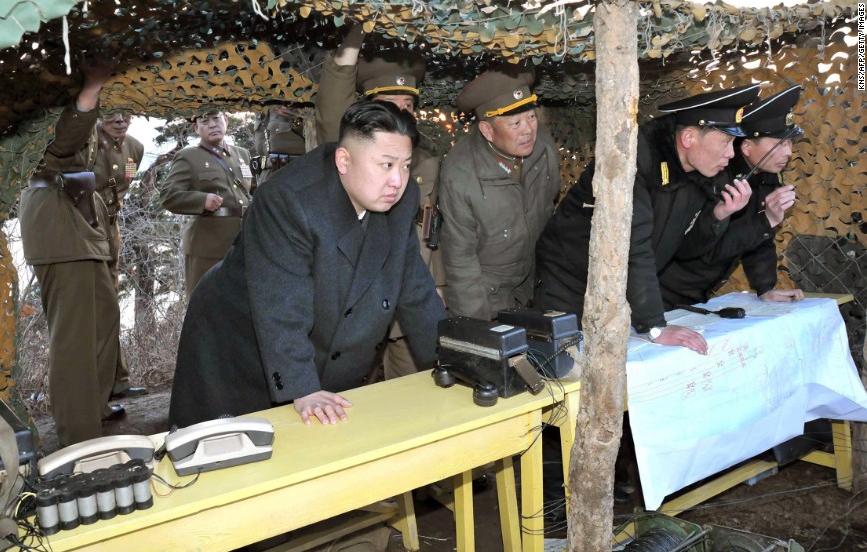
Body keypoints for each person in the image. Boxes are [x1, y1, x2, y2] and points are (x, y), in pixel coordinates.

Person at [167, 101, 446, 429]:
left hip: (305, 334)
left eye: (405, 165)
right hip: (238, 333)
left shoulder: (399, 198)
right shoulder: (289, 200)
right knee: (236, 451)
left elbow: (414, 288)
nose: (397, 181)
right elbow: (280, 305)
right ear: (344, 160)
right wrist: (302, 387)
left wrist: (451, 359)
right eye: (386, 165)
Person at [534, 85, 762, 354]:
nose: (732, 154)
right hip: (570, 284)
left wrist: (719, 215)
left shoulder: (700, 171)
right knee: (571, 370)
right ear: (689, 137)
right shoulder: (631, 157)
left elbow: (685, 250)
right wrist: (654, 325)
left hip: (621, 291)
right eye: (725, 142)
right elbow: (631, 245)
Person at [314, 23, 446, 379]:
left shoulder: (425, 158)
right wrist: (353, 38)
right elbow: (331, 110)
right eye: (392, 105)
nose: (404, 113)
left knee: (414, 399)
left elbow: (431, 229)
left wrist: (436, 287)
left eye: (408, 105)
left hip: (408, 302)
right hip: (359, 301)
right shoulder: (349, 152)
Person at [18, 60, 125, 446]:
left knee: (105, 320)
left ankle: (92, 408)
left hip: (81, 222)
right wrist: (90, 90)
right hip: (59, 225)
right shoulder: (42, 108)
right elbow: (62, 142)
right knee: (75, 337)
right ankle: (79, 434)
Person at [659, 85, 805, 308]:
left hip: (698, 293)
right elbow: (707, 250)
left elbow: (758, 237)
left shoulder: (765, 175)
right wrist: (767, 220)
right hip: (663, 291)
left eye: (789, 143)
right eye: (778, 144)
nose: (788, 152)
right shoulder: (713, 174)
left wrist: (765, 287)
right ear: (746, 146)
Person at [438, 67, 561, 321]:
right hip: (489, 299)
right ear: (487, 130)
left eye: (531, 117)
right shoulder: (461, 174)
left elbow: (551, 208)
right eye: (515, 123)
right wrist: (476, 330)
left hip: (537, 286)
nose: (528, 130)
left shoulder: (544, 148)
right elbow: (461, 264)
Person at [160, 109, 254, 297]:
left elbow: (251, 191)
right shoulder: (188, 157)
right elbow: (168, 195)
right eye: (205, 121)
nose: (212, 125)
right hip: (207, 247)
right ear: (196, 128)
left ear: (226, 121)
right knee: (204, 307)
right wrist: (202, 200)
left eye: (216, 119)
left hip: (242, 244)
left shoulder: (242, 154)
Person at [92, 110, 148, 399]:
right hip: (87, 226)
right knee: (95, 305)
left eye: (125, 115)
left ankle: (119, 381)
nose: (119, 121)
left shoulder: (135, 149)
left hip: (111, 229)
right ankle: (99, 385)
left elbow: (125, 184)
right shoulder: (89, 142)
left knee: (111, 304)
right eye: (112, 115)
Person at [251, 105, 306, 188]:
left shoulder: (296, 96)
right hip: (266, 176)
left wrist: (296, 119)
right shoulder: (259, 100)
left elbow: (321, 131)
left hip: (295, 174)